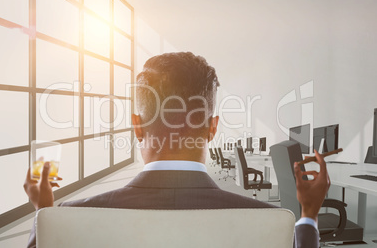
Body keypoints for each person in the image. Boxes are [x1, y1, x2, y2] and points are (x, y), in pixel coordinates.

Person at [24, 52, 330, 248]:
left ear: (137, 127)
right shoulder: (273, 223)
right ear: (212, 128)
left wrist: (44, 215)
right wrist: (309, 216)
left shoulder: (70, 217)